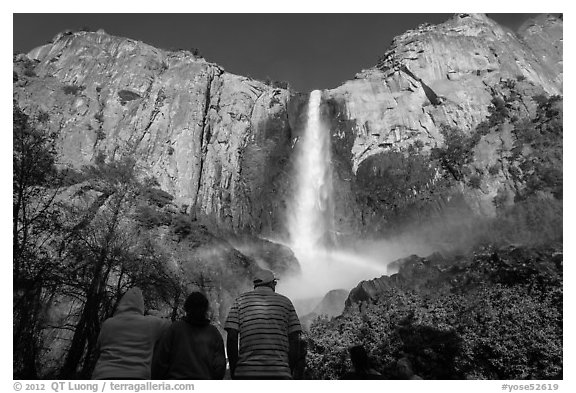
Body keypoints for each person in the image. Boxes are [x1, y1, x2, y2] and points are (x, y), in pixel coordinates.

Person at [225, 269, 302, 379]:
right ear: (272, 284)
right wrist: (289, 368)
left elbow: (232, 337)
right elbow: (295, 339)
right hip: (279, 374)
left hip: (246, 373)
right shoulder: (286, 302)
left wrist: (234, 369)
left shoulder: (240, 301)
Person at [92, 287, 169, 379]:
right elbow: (168, 323)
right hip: (137, 378)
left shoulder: (108, 323)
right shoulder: (150, 324)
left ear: (121, 304)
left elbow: (98, 347)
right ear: (141, 305)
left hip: (103, 376)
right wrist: (154, 313)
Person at [152, 292, 226, 379]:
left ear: (187, 308)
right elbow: (219, 367)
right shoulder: (213, 333)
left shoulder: (175, 329)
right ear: (205, 310)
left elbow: (161, 361)